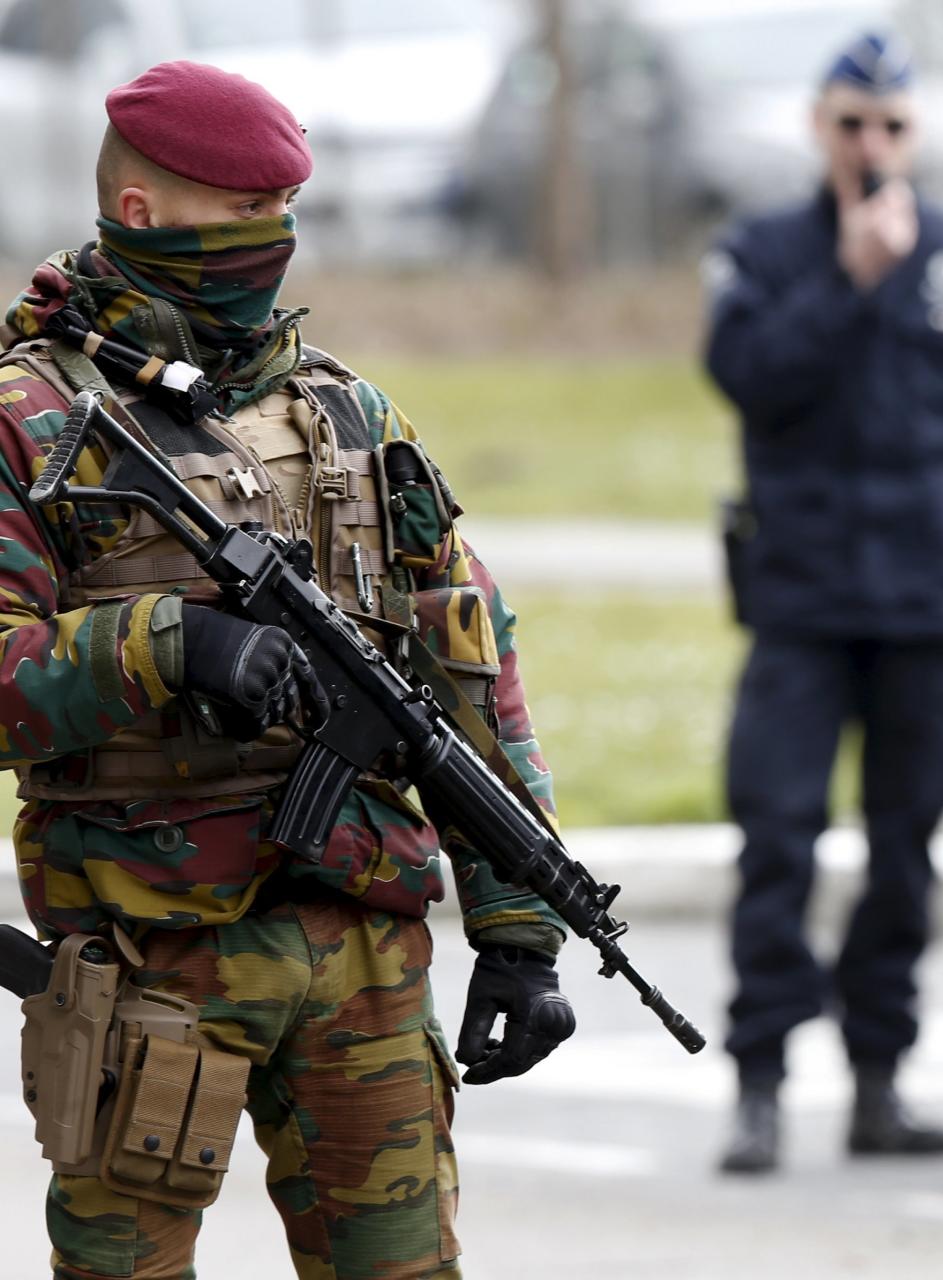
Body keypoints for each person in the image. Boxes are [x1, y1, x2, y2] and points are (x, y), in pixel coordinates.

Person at [0, 62, 575, 1278]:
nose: (273, 244)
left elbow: (463, 656)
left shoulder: (348, 416)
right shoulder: (30, 417)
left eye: (284, 215)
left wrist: (519, 925)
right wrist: (172, 645)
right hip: (145, 961)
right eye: (244, 215)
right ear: (143, 212)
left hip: (359, 947)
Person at [702, 31, 943, 1175]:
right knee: (776, 838)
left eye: (890, 126)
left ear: (914, 135)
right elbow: (747, 377)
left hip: (926, 605)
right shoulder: (763, 251)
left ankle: (878, 1079)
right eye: (849, 123)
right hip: (804, 604)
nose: (869, 145)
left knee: (906, 850)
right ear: (817, 128)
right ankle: (759, 1084)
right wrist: (849, 282)